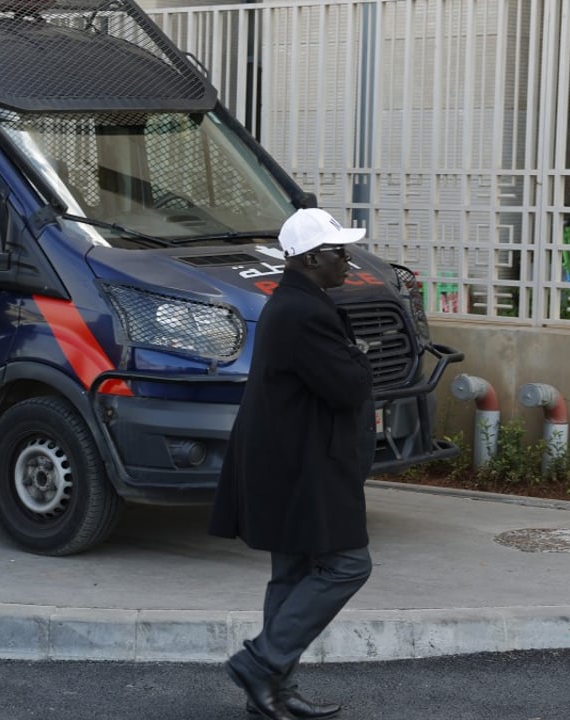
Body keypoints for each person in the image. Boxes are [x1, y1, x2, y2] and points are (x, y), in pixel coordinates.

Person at [208, 208, 376, 720]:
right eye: (338, 252)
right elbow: (346, 386)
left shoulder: (296, 302)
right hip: (303, 463)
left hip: (284, 458)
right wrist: (360, 357)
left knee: (293, 570)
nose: (347, 261)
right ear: (310, 258)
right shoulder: (305, 313)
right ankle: (262, 664)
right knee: (348, 565)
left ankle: (272, 692)